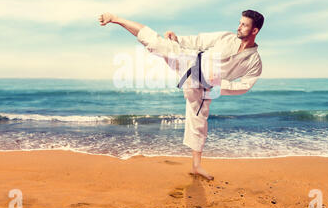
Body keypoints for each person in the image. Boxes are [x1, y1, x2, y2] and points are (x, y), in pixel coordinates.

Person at [98, 10, 263, 180]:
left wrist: (219, 84)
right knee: (155, 43)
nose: (239, 27)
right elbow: (200, 40)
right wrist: (178, 39)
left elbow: (245, 86)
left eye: (244, 25)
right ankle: (116, 19)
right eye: (240, 23)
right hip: (190, 62)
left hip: (206, 88)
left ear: (254, 30)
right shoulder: (227, 38)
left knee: (198, 122)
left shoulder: (254, 61)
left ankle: (196, 166)